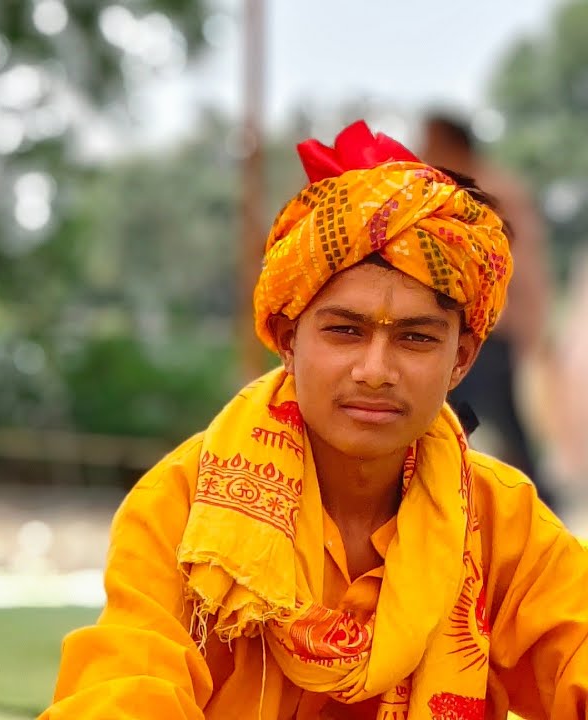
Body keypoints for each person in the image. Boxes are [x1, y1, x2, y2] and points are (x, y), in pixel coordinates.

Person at [41, 121, 588, 719]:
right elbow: (126, 691)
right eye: (344, 331)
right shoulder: (183, 507)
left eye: (415, 338)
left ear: (461, 359)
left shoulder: (498, 520)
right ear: (287, 338)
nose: (375, 370)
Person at [421, 112, 556, 508]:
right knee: (448, 420)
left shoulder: (492, 190)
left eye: (430, 141)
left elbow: (527, 265)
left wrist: (534, 332)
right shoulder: (435, 191)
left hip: (491, 332)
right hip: (450, 331)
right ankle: (453, 500)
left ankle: (539, 509)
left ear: (453, 145)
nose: (424, 149)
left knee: (486, 422)